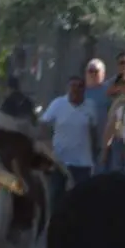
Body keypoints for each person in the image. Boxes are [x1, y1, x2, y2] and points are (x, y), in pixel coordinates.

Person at [40, 75, 97, 206]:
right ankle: (53, 223)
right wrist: (47, 146)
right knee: (55, 195)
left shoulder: (90, 106)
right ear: (68, 88)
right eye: (73, 86)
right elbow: (43, 124)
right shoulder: (58, 103)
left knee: (83, 196)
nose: (76, 89)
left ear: (84, 90)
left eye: (79, 86)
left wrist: (94, 152)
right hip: (60, 159)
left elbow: (93, 130)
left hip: (83, 161)